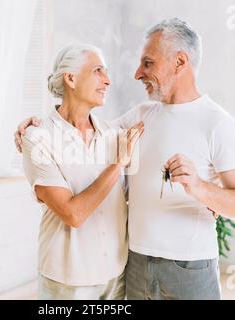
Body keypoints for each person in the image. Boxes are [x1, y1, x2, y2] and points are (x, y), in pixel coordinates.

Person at [16, 18, 235, 300]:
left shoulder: (218, 124)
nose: (137, 73)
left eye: (148, 63)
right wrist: (37, 124)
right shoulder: (140, 117)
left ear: (180, 62)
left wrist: (201, 189)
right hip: (134, 265)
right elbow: (77, 129)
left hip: (189, 267)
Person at [21, 43, 144, 300]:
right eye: (98, 70)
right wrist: (118, 163)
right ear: (70, 78)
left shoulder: (113, 134)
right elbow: (73, 214)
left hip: (116, 275)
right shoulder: (38, 137)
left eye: (106, 72)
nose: (108, 80)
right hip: (68, 281)